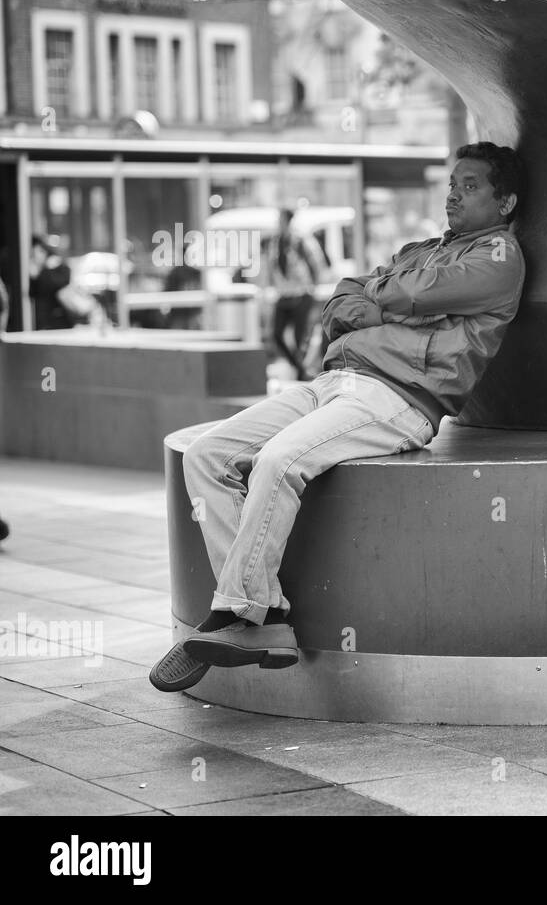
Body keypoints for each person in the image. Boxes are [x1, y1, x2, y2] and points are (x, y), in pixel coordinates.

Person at [149, 142, 526, 692]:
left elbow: (422, 293)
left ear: (506, 202)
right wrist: (385, 301)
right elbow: (341, 298)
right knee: (209, 455)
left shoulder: (498, 258)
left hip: (398, 398)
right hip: (331, 382)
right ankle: (265, 616)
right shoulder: (421, 248)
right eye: (451, 184)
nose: (453, 196)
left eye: (471, 187)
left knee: (278, 461)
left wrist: (381, 302)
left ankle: (238, 615)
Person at [269, 209, 327, 380]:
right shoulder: (275, 242)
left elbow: (317, 263)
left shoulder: (301, 241)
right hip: (283, 294)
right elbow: (272, 267)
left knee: (300, 337)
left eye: (280, 219)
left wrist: (314, 287)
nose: (278, 223)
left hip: (302, 293)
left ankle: (301, 371)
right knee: (276, 334)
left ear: (288, 221)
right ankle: (299, 367)